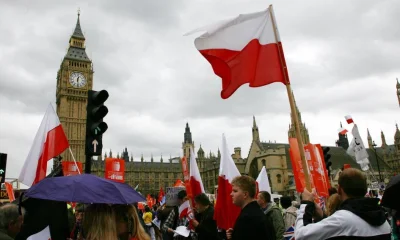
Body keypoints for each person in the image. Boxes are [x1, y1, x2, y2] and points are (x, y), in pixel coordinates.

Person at [295, 168, 391, 240]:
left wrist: (305, 204)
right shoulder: (383, 220)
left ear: (339, 189)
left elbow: (301, 235)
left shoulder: (343, 219)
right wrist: (322, 217)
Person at [226, 175, 274, 240]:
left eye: (235, 191)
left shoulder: (247, 218)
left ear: (245, 194)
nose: (231, 194)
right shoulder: (257, 213)